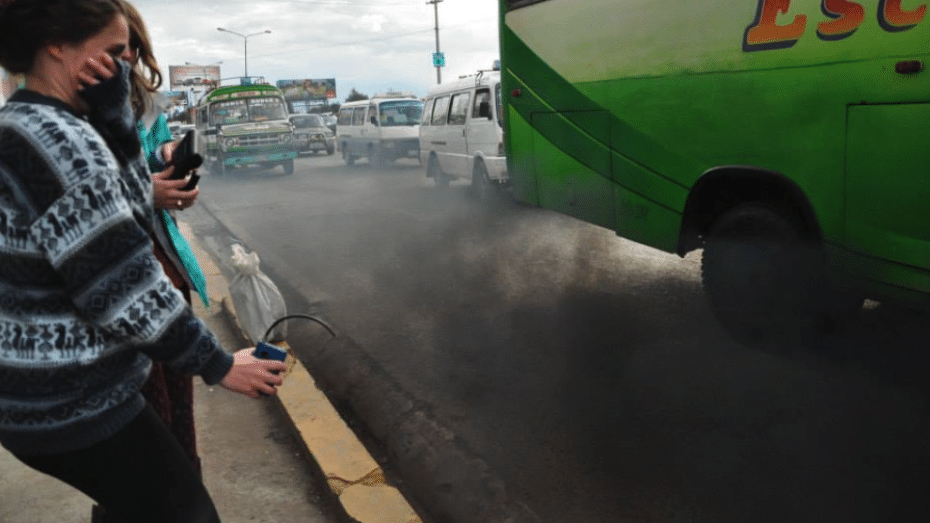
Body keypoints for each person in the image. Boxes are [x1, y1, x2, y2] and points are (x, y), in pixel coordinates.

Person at [0, 1, 287, 522]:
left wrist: (115, 122)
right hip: (69, 396)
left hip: (36, 392)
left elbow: (127, 212)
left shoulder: (24, 122)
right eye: (114, 52)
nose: (126, 65)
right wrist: (220, 364)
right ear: (57, 46)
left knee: (133, 507)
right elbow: (122, 284)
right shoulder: (60, 140)